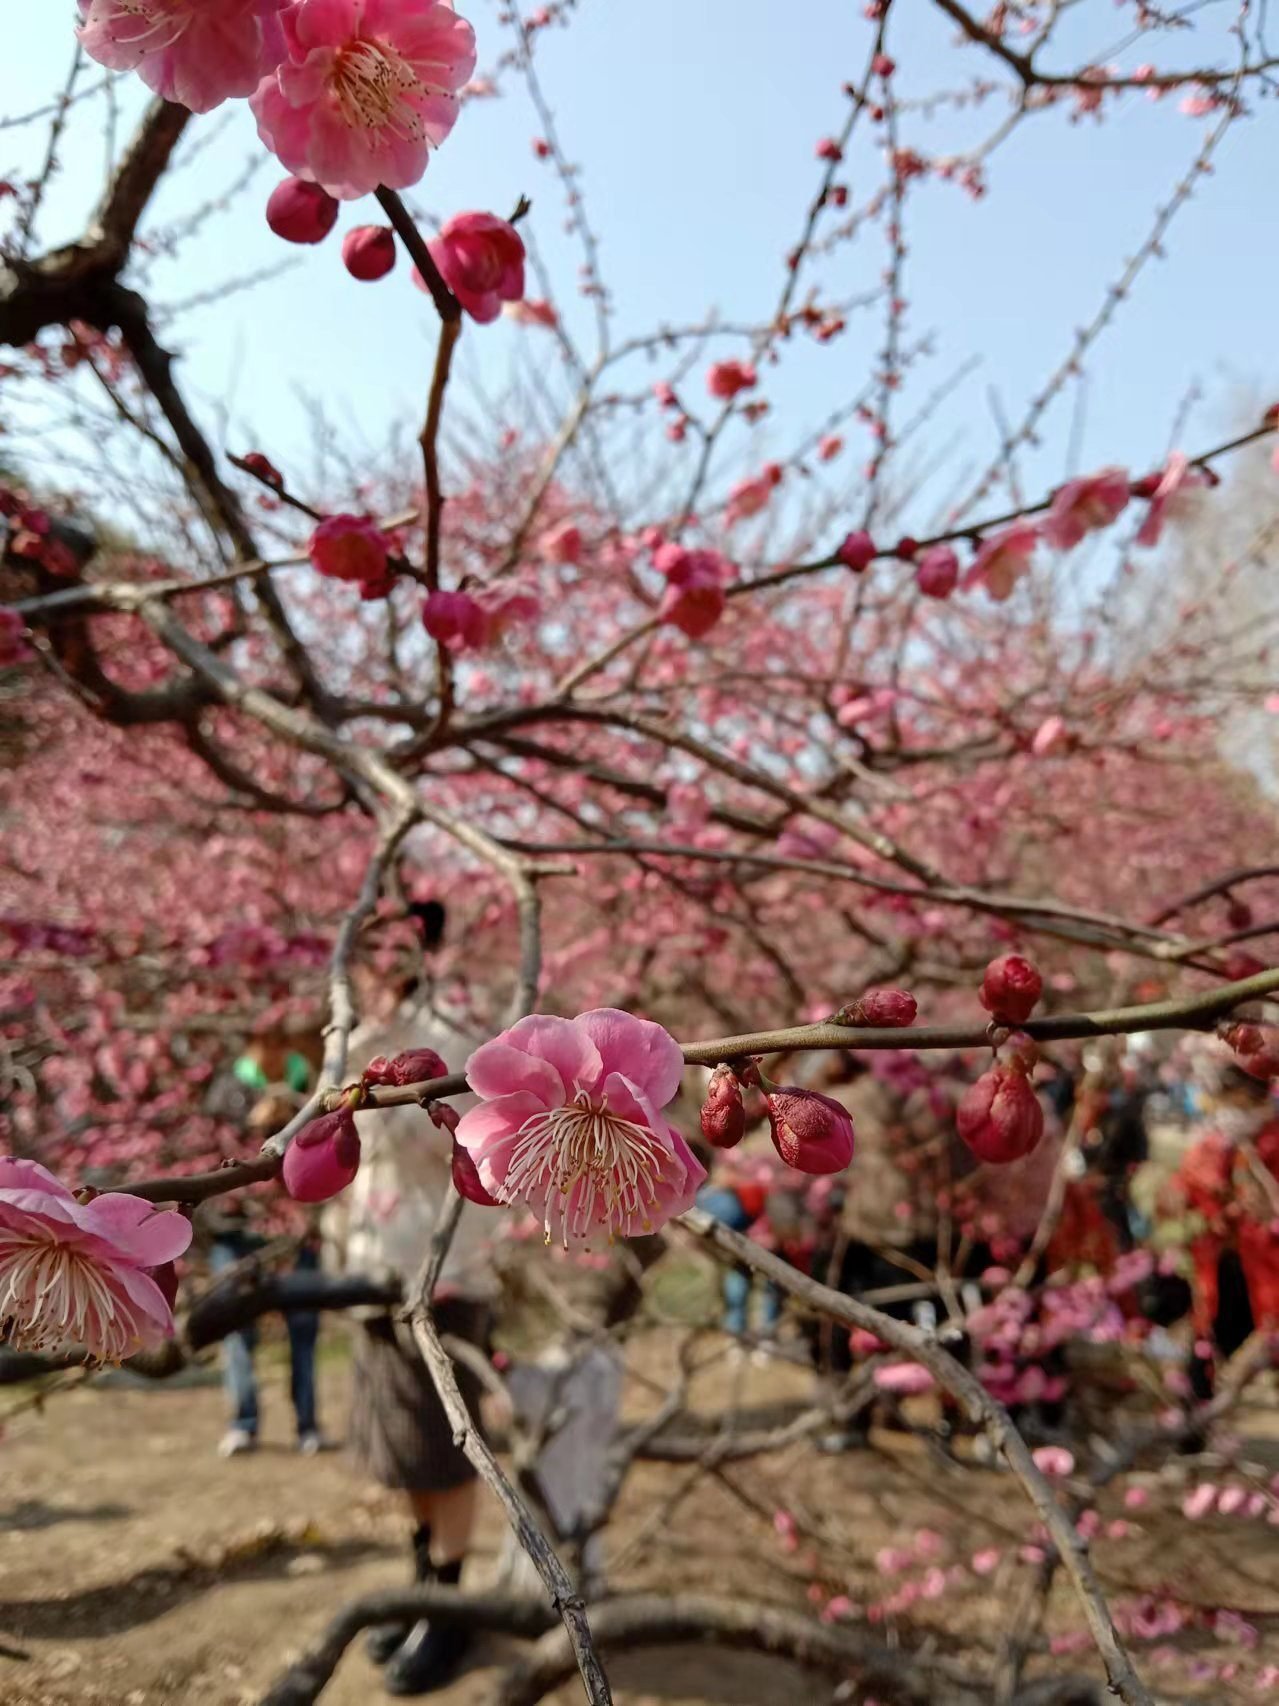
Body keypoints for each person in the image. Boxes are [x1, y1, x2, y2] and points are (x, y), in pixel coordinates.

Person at [326, 899, 498, 1698]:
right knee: (406, 1453)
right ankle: (422, 1589)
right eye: (364, 950)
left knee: (444, 1450)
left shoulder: (444, 1029)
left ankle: (450, 1611)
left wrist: (376, 1077)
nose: (369, 964)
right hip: (373, 1272)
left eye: (386, 948)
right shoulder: (358, 1031)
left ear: (420, 948)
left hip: (441, 1273)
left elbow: (458, 1138)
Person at [204, 1032, 325, 1458]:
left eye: (279, 1042)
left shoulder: (310, 1087)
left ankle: (308, 1423)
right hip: (237, 1230)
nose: (271, 1052)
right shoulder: (227, 1089)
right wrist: (254, 1125)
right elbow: (211, 1155)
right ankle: (244, 1423)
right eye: (262, 1042)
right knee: (236, 1332)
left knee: (304, 1330)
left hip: (294, 1230)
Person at [1165, 1062, 1279, 1403]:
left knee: (1248, 1339)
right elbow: (1184, 1188)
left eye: (1227, 1096)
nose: (1221, 1104)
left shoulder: (1268, 1141)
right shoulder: (1217, 1141)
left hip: (1261, 1261)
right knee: (1210, 1342)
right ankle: (1197, 1419)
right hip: (1220, 1261)